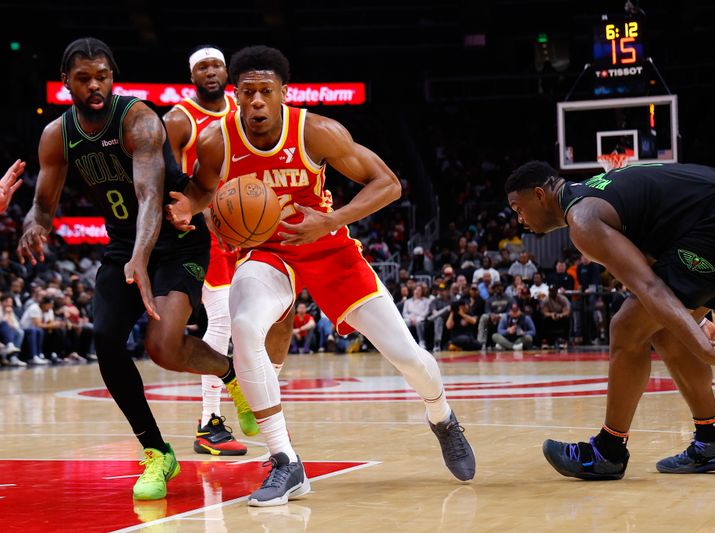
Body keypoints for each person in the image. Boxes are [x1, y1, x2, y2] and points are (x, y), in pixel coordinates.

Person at [166, 45, 475, 506]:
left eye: (265, 92)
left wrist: (330, 220)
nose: (255, 102)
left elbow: (388, 183)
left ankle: (442, 415)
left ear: (282, 94)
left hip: (328, 248)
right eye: (246, 92)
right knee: (246, 326)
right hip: (268, 252)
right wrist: (189, 210)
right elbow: (203, 191)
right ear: (236, 93)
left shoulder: (316, 131)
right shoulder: (216, 141)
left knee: (407, 357)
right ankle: (285, 462)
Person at [17, 38, 255, 500]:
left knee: (163, 346)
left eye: (102, 76)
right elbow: (44, 204)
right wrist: (33, 225)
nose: (95, 86)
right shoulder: (57, 134)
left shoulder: (139, 119)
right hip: (124, 242)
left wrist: (142, 258)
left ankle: (228, 373)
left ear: (113, 76)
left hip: (176, 234)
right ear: (67, 81)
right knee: (105, 339)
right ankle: (156, 453)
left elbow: (149, 195)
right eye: (84, 78)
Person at [506, 160, 715, 480]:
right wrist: (697, 323)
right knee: (663, 330)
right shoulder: (595, 197)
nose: (519, 220)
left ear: (539, 195)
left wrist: (706, 350)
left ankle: (609, 450)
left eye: (518, 209)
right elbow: (650, 269)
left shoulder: (584, 220)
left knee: (626, 327)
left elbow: (650, 286)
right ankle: (713, 438)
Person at [164, 44, 292, 456]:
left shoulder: (244, 115)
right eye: (202, 66)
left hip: (241, 229)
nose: (211, 71)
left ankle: (241, 402)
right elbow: (159, 171)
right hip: (203, 228)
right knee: (222, 318)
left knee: (252, 318)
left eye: (217, 64)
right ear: (192, 75)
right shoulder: (180, 118)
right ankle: (210, 421)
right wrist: (181, 209)